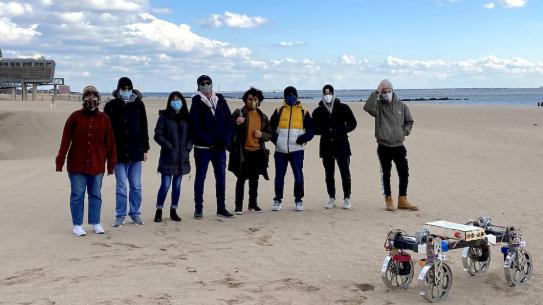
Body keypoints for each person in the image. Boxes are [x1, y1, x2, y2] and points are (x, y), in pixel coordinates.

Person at [55, 86, 117, 236]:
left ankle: (95, 223)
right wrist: (60, 161)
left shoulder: (104, 118)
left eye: (94, 96)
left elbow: (110, 143)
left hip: (97, 164)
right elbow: (65, 140)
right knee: (77, 194)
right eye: (87, 96)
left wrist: (111, 164)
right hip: (77, 164)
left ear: (98, 99)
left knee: (95, 194)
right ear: (83, 98)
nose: (91, 99)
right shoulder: (75, 117)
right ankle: (77, 225)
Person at [363, 79, 418, 211]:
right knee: (386, 174)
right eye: (384, 91)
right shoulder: (378, 107)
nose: (387, 93)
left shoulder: (402, 106)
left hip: (399, 145)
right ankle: (388, 200)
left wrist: (403, 132)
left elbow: (409, 121)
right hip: (383, 146)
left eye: (389, 91)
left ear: (393, 91)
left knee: (404, 172)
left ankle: (402, 199)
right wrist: (376, 91)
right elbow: (367, 107)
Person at [104, 77, 149, 227]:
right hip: (118, 153)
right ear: (118, 90)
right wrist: (107, 151)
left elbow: (144, 127)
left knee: (136, 185)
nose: (126, 91)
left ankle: (135, 213)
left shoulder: (139, 105)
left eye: (128, 88)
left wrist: (145, 149)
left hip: (136, 152)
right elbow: (106, 130)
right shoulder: (111, 106)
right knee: (122, 186)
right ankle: (120, 215)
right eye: (123, 89)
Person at [190, 75, 234, 218]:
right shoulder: (196, 102)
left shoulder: (220, 100)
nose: (206, 85)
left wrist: (226, 140)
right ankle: (198, 208)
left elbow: (229, 121)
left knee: (221, 178)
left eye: (208, 83)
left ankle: (221, 207)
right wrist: (210, 141)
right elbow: (195, 126)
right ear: (198, 86)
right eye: (203, 83)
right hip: (203, 149)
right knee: (200, 177)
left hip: (220, 149)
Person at [312, 84, 357, 209]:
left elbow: (353, 123)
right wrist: (323, 131)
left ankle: (347, 197)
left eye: (329, 93)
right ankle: (331, 197)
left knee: (345, 173)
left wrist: (343, 130)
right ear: (322, 95)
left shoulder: (343, 108)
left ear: (333, 93)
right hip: (326, 146)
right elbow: (314, 128)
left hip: (342, 145)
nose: (327, 95)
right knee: (329, 174)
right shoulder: (318, 111)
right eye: (325, 93)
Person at [228, 87, 272, 214]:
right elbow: (229, 130)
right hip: (243, 152)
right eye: (250, 99)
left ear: (259, 101)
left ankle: (253, 205)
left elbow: (269, 134)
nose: (252, 101)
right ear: (245, 100)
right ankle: (238, 207)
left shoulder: (262, 116)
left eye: (255, 99)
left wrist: (261, 135)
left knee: (254, 180)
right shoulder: (239, 113)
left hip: (257, 152)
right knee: (241, 179)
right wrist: (236, 123)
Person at [270, 86, 314, 212]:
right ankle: (277, 200)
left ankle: (298, 200)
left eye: (293, 95)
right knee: (279, 177)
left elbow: (311, 129)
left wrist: (304, 138)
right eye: (288, 95)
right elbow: (269, 128)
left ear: (297, 96)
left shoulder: (303, 112)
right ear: (285, 97)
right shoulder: (279, 110)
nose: (291, 97)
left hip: (297, 150)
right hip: (280, 151)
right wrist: (276, 141)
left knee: (298, 176)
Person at [153, 91, 193, 222]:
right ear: (170, 102)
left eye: (178, 99)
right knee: (165, 185)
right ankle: (159, 210)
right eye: (173, 99)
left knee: (177, 186)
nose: (176, 101)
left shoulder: (187, 117)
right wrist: (168, 146)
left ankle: (173, 210)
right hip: (168, 157)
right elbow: (157, 135)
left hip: (182, 157)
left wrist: (188, 147)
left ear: (182, 101)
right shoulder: (164, 117)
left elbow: (192, 135)